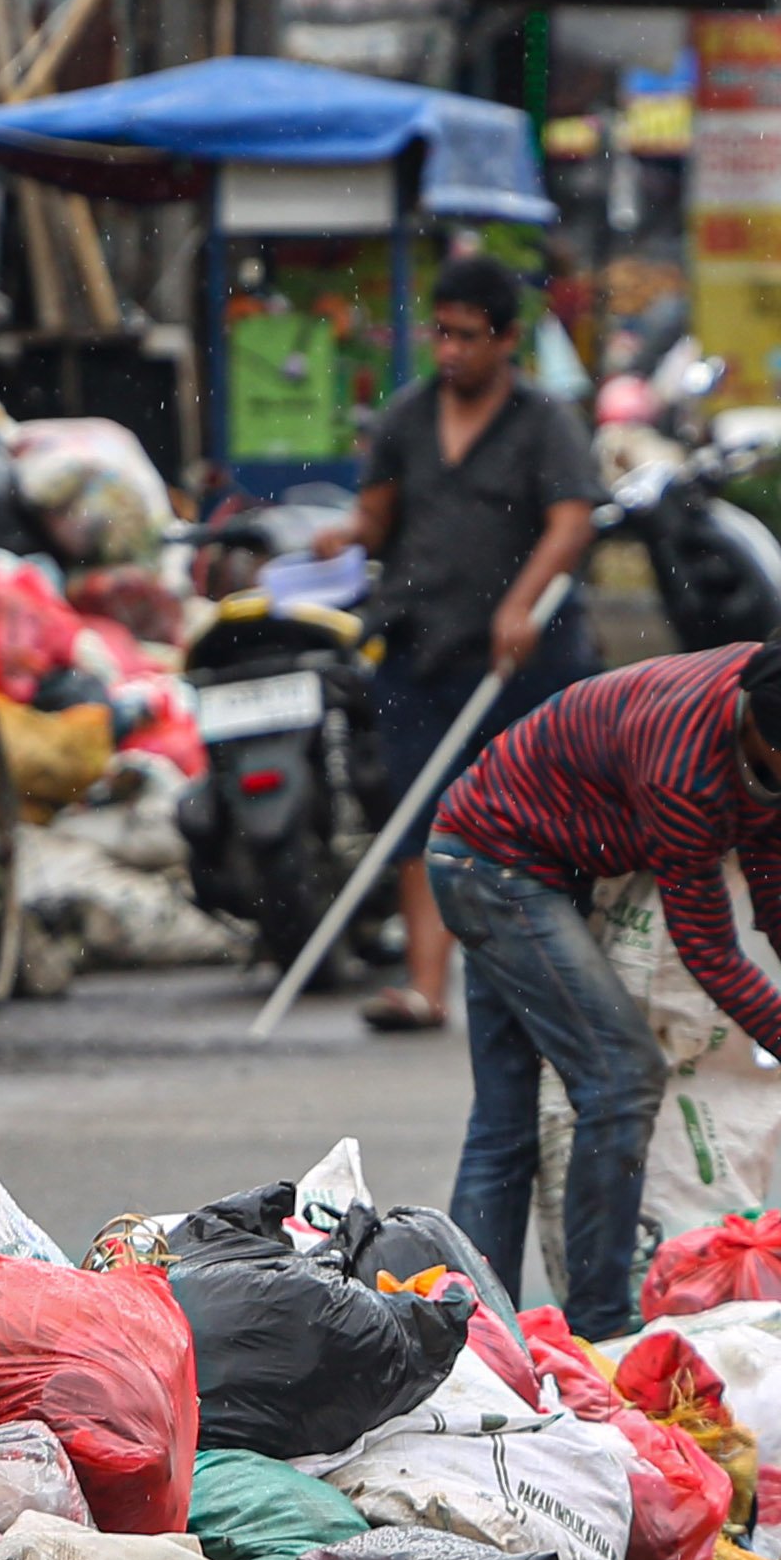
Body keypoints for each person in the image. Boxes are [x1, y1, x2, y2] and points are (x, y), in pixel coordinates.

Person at [422, 618, 781, 1340]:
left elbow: (774, 835)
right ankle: (599, 1328)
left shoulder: (776, 689)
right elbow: (711, 956)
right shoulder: (683, 764)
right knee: (617, 1077)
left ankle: (472, 1333)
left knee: (507, 1122)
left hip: (518, 856)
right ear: (762, 726)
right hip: (494, 866)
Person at [314, 251, 601, 1035]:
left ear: (506, 340)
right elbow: (376, 518)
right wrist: (343, 535)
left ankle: (552, 979)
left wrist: (520, 602)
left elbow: (570, 521)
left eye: (467, 337)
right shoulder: (407, 417)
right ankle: (425, 987)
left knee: (531, 818)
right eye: (441, 334)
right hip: (420, 639)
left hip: (517, 655)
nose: (450, 351)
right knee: (420, 814)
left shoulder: (544, 423)